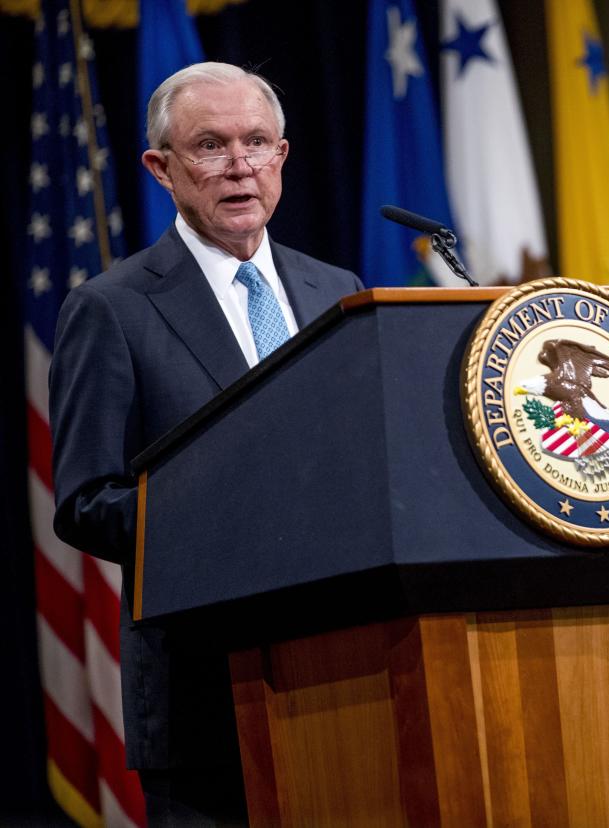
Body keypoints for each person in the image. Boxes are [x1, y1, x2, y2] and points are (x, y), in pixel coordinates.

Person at [49, 62, 363, 825]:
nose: (239, 166)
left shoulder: (339, 291)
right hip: (205, 697)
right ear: (161, 168)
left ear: (283, 158)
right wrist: (242, 524)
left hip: (353, 678)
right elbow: (88, 501)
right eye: (210, 146)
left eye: (257, 142)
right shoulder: (113, 309)